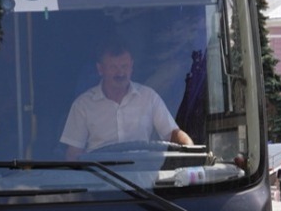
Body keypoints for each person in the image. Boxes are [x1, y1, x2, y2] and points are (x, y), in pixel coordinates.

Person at [60, 41, 194, 160]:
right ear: (100, 69)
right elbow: (74, 154)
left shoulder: (149, 97)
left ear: (132, 66)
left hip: (143, 178)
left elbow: (172, 133)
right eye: (113, 67)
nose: (120, 73)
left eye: (124, 66)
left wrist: (189, 147)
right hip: (99, 177)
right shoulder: (83, 105)